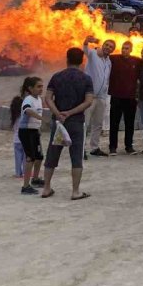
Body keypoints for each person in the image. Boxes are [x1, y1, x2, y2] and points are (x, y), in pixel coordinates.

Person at [42, 47, 95, 200]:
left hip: (59, 123)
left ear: (67, 59)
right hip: (76, 122)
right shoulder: (86, 79)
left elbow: (48, 98)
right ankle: (75, 191)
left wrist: (58, 113)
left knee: (52, 153)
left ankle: (46, 188)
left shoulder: (56, 77)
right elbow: (88, 101)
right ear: (82, 61)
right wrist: (71, 112)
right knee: (76, 156)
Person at [12, 76, 46, 194]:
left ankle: (35, 179)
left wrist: (39, 127)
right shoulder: (28, 99)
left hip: (35, 131)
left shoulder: (39, 99)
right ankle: (25, 186)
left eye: (42, 86)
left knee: (39, 156)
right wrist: (41, 118)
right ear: (31, 88)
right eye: (38, 87)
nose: (41, 89)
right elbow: (27, 110)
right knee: (30, 158)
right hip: (26, 132)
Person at [83, 37, 114, 158]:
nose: (108, 47)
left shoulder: (109, 62)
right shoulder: (93, 54)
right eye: (106, 45)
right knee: (85, 123)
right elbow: (85, 48)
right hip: (89, 96)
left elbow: (106, 79)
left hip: (101, 97)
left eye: (111, 47)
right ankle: (81, 149)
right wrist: (87, 41)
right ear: (103, 45)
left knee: (98, 124)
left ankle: (94, 148)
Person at [108, 40, 140, 155]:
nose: (124, 50)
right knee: (114, 123)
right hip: (116, 96)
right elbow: (101, 54)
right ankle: (112, 147)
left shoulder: (136, 61)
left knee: (129, 123)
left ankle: (129, 146)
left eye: (126, 48)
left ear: (131, 50)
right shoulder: (114, 59)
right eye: (123, 48)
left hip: (130, 98)